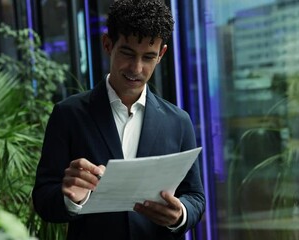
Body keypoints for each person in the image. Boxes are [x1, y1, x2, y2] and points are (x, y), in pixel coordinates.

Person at [32, 0, 206, 239]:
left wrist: (180, 214)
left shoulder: (178, 121)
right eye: (127, 53)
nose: (136, 68)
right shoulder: (68, 114)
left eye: (148, 57)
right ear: (107, 44)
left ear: (161, 54)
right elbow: (43, 199)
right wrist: (72, 199)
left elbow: (195, 197)